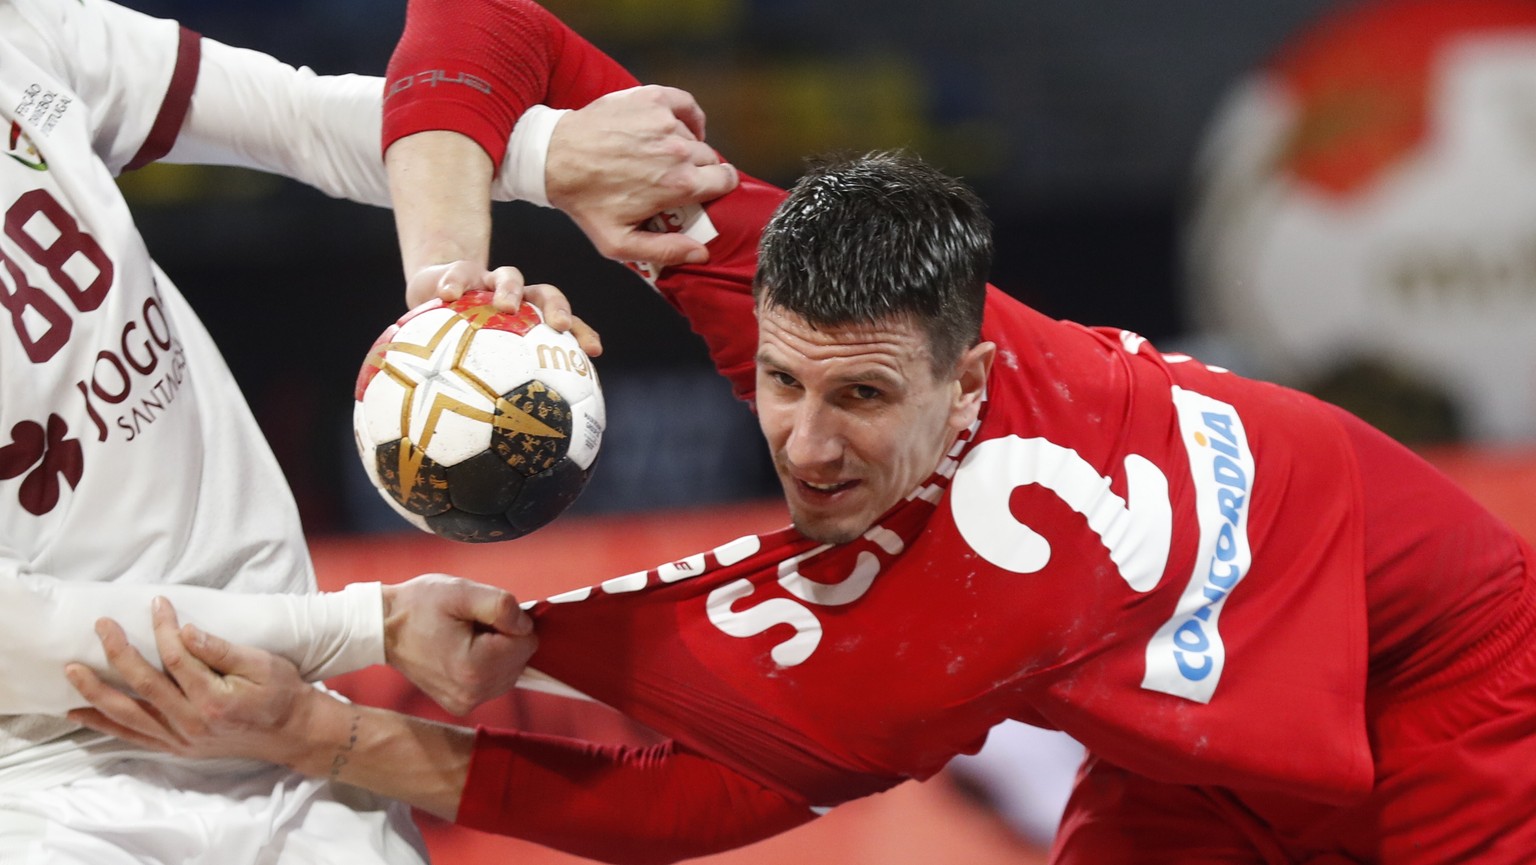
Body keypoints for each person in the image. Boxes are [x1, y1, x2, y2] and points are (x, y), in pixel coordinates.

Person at [67, 2, 1536, 863]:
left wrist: (325, 727)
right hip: (1188, 747)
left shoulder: (962, 613)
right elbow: (480, 25)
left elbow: (673, 806)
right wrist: (447, 288)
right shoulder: (811, 286)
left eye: (863, 401)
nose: (810, 445)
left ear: (967, 390)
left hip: (1454, 700)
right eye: (783, 383)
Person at [0, 0, 728, 860]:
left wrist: (538, 169)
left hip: (295, 758)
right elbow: (23, 630)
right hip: (53, 792)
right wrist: (363, 628)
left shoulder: (21, 33)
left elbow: (297, 117)